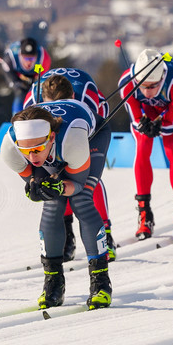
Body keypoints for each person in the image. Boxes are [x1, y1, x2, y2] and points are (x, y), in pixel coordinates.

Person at [0, 104, 112, 310]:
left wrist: (59, 186)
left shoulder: (73, 140)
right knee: (51, 204)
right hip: (57, 145)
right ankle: (53, 281)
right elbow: (34, 179)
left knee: (82, 201)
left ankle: (101, 282)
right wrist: (36, 188)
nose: (32, 157)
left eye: (36, 149)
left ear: (51, 137)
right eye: (26, 150)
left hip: (91, 137)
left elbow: (76, 186)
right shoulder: (10, 149)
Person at [24, 68, 117, 261]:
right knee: (54, 178)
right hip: (48, 139)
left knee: (87, 176)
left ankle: (105, 233)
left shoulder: (88, 99)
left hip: (86, 127)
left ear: (72, 97)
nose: (55, 119)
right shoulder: (31, 103)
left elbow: (101, 126)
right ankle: (67, 234)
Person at [118, 48, 173, 241]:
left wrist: (160, 126)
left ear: (162, 78)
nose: (148, 91)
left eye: (153, 86)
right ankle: (144, 214)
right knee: (142, 149)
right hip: (146, 113)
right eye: (143, 86)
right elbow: (135, 118)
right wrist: (144, 125)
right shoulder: (126, 84)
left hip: (170, 113)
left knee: (172, 149)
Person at [3, 38, 52, 115]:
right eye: (26, 58)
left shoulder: (42, 58)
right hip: (17, 75)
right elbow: (9, 74)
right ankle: (17, 116)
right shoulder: (11, 57)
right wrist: (17, 82)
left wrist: (34, 81)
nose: (29, 61)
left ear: (36, 56)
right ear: (20, 55)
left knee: (39, 94)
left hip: (34, 75)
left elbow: (41, 77)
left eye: (32, 58)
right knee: (20, 93)